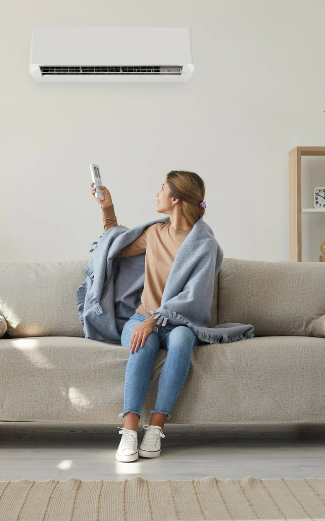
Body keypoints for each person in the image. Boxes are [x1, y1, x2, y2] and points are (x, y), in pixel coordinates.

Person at [89, 171, 209, 462]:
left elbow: (194, 296)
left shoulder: (204, 243)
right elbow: (113, 248)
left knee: (181, 339)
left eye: (162, 188)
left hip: (179, 321)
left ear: (175, 199)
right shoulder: (155, 233)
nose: (157, 193)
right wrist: (107, 208)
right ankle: (129, 430)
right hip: (140, 318)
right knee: (144, 342)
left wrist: (154, 320)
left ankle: (156, 427)